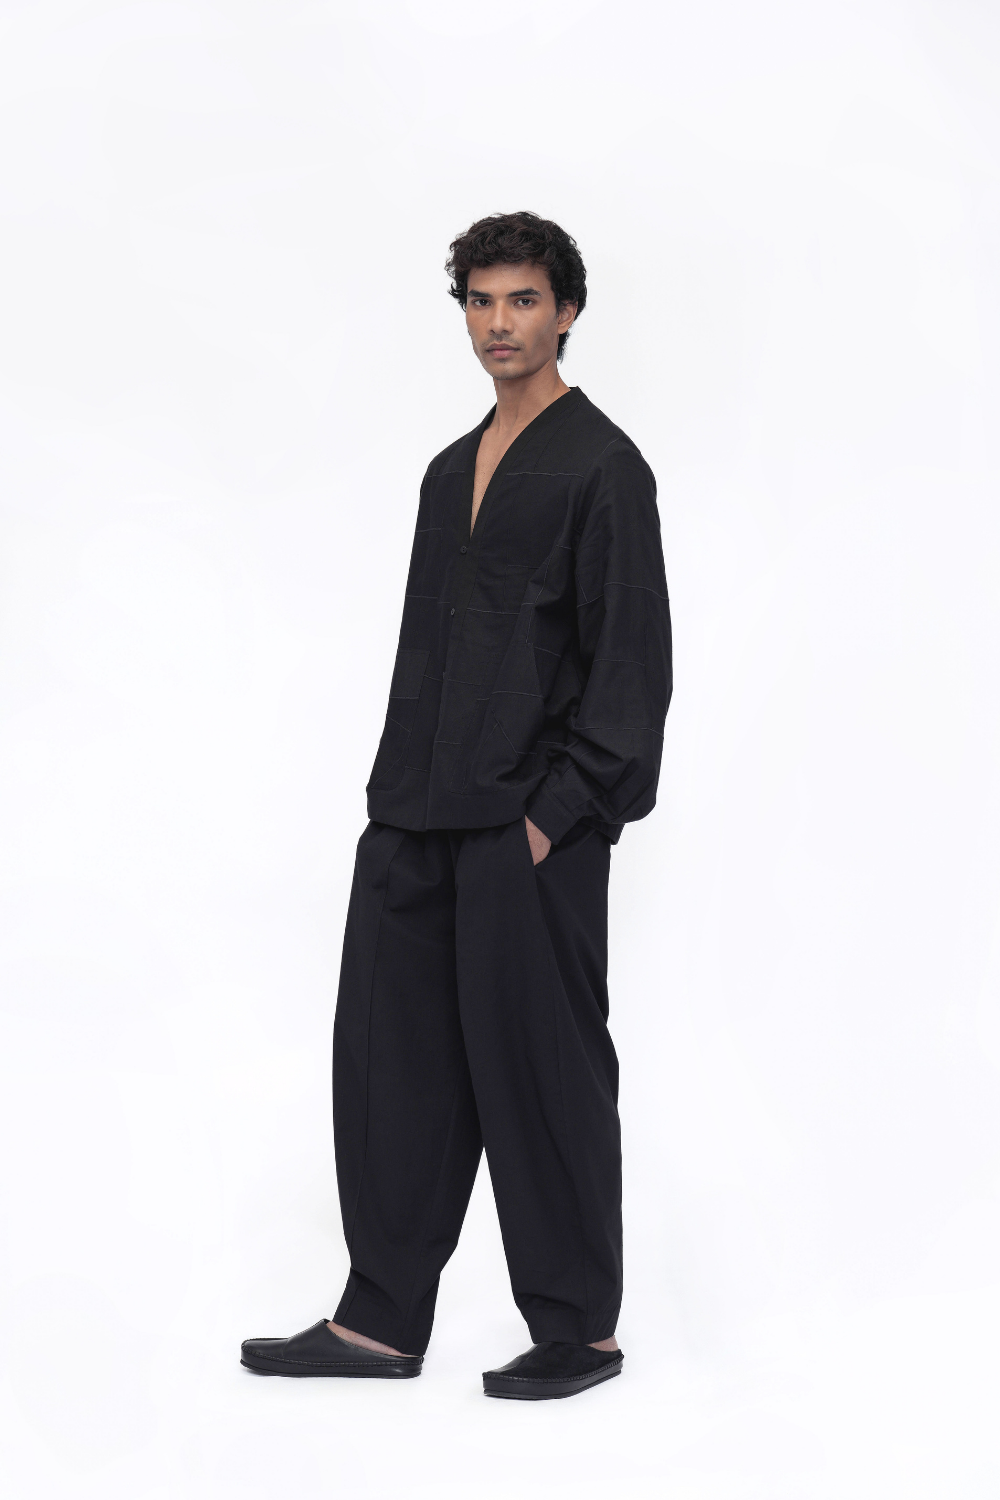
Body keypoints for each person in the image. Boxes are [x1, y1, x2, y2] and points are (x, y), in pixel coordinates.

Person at [241, 210, 672, 1400]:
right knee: (389, 1067)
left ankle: (578, 1331)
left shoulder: (603, 467)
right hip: (412, 817)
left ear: (566, 311)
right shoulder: (446, 471)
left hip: (528, 828)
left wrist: (559, 812)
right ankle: (378, 1320)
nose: (499, 323)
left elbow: (631, 663)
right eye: (481, 301)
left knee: (541, 1074)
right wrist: (392, 810)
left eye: (522, 300)